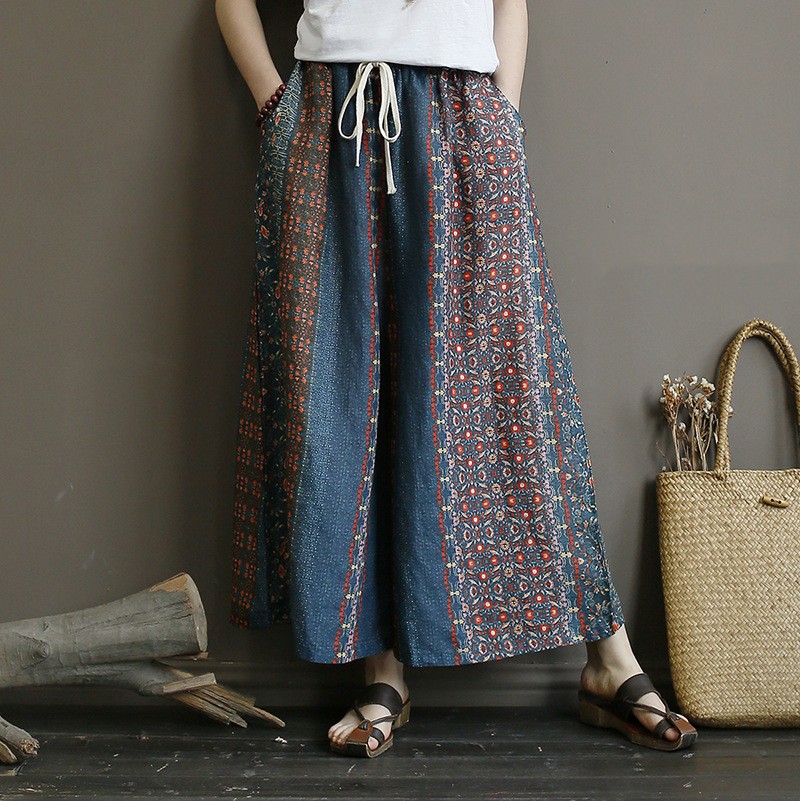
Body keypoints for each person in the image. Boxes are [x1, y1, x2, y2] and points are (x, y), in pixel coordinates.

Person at [215, 0, 698, 758]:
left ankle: (609, 658)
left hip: (466, 114)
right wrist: (278, 112)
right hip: (329, 117)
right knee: (345, 398)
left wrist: (503, 116)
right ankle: (384, 672)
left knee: (518, 393)